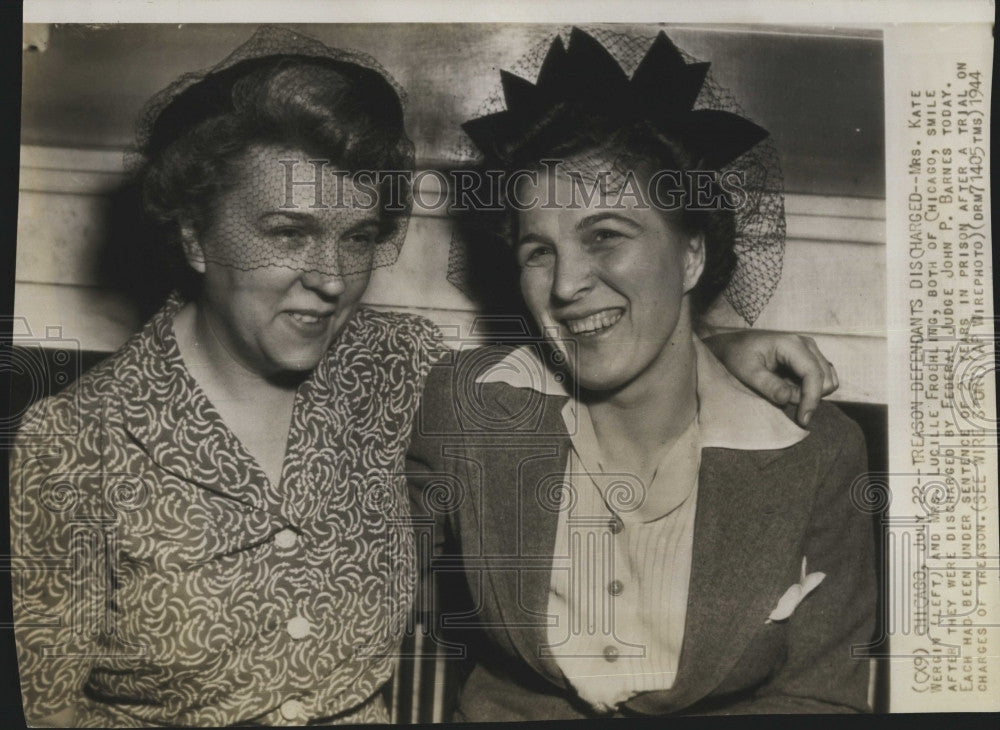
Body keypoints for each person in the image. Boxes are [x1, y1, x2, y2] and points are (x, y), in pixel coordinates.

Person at [10, 26, 839, 727]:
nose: (331, 276)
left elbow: (593, 362)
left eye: (359, 235)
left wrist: (716, 346)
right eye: (289, 232)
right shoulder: (71, 446)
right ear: (194, 236)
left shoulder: (398, 371)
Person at [406, 28, 876, 719]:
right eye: (539, 251)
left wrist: (712, 352)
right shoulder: (470, 407)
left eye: (605, 236)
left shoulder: (817, 454)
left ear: (690, 257)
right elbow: (362, 574)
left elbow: (817, 697)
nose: (566, 285)